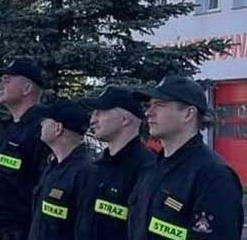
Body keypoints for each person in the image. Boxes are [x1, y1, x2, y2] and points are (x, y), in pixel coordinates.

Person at [127, 76, 244, 240]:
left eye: (159, 105)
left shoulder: (213, 176)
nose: (148, 113)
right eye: (149, 105)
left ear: (188, 113)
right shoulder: (151, 169)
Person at [0, 57, 53, 240]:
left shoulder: (42, 131)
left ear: (27, 89)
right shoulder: (7, 130)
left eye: (7, 80)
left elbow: (42, 194)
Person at [77, 87, 154, 240]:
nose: (93, 119)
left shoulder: (148, 169)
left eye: (100, 112)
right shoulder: (96, 166)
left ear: (125, 119)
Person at [28, 100, 95, 240]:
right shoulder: (52, 166)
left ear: (58, 128)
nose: (41, 124)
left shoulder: (85, 172)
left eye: (45, 121)